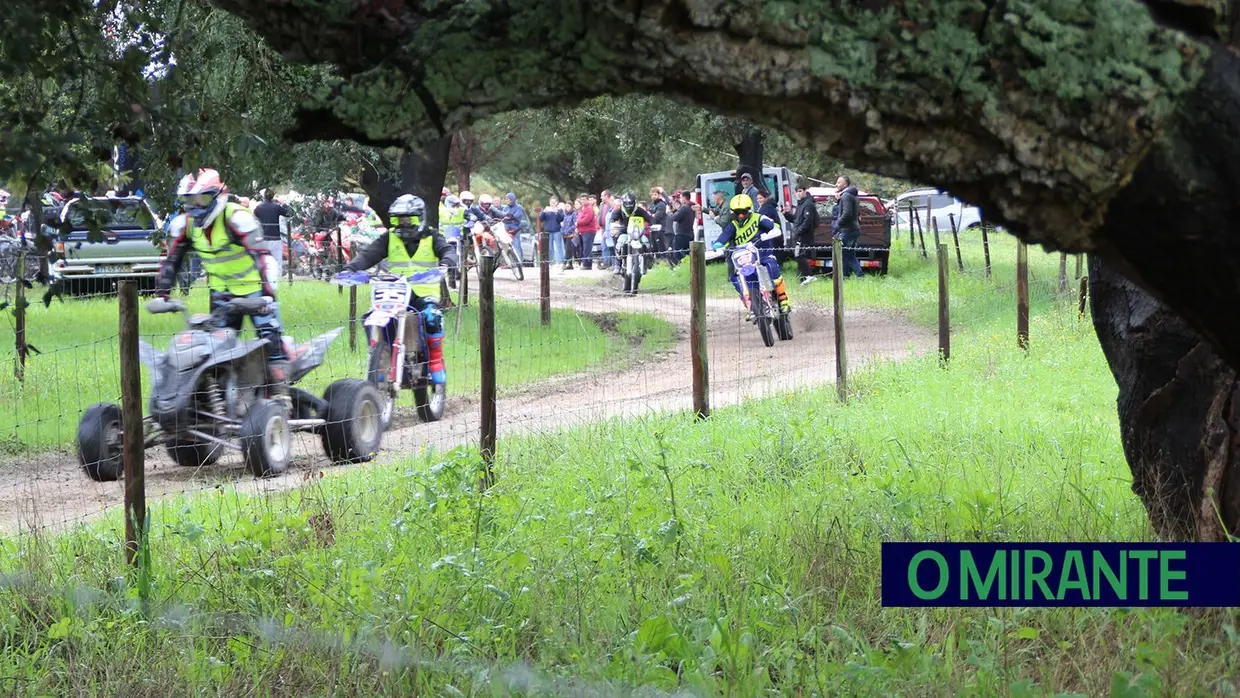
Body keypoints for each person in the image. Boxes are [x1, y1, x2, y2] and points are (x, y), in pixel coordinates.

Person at [155, 169, 291, 399]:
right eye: (190, 200)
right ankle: (220, 404)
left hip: (255, 291)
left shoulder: (237, 218)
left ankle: (281, 398)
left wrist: (268, 294)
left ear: (219, 195)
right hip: (222, 294)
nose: (197, 206)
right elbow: (172, 260)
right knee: (215, 351)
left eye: (203, 199)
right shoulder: (185, 225)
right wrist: (162, 294)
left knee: (271, 341)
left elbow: (263, 256)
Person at [336, 194, 458, 385]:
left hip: (423, 294)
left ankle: (435, 361)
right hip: (394, 292)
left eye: (408, 219)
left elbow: (447, 251)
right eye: (398, 220)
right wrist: (350, 269)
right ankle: (380, 356)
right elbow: (369, 254)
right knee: (370, 317)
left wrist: (446, 264)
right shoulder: (389, 238)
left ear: (420, 218)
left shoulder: (432, 236)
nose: (403, 224)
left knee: (432, 316)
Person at [711, 193, 791, 317]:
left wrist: (773, 231)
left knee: (773, 268)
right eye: (737, 212)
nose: (741, 215)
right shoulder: (733, 225)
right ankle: (750, 306)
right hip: (745, 258)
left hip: (764, 253)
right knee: (736, 277)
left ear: (750, 210)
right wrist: (718, 244)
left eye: (743, 212)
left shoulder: (758, 218)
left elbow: (773, 225)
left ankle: (783, 299)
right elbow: (724, 236)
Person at [608, 193, 655, 283]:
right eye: (627, 203)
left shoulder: (639, 210)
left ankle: (648, 260)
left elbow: (649, 218)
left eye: (631, 203)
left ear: (634, 202)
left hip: (639, 233)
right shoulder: (619, 210)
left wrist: (653, 224)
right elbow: (612, 218)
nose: (629, 205)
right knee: (619, 244)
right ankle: (618, 264)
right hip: (625, 232)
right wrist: (613, 225)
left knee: (646, 243)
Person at [783, 182, 820, 284]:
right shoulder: (800, 204)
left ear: (805, 191)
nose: (798, 194)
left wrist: (798, 232)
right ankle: (802, 279)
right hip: (799, 235)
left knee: (799, 255)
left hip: (804, 236)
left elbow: (807, 221)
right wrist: (786, 214)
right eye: (797, 192)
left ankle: (809, 275)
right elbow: (796, 220)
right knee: (798, 255)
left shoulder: (808, 204)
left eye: (800, 191)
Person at [254, 189, 293, 282]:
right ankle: (277, 280)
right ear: (272, 196)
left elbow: (255, 216)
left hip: (263, 237)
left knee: (263, 260)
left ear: (263, 196)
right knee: (277, 261)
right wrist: (283, 204)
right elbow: (289, 213)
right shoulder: (276, 207)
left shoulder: (259, 208)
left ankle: (263, 279)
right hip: (275, 237)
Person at [834, 175, 863, 278]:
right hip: (854, 229)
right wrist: (838, 201)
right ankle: (852, 276)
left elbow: (847, 213)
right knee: (849, 255)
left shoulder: (846, 196)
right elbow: (857, 213)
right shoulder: (853, 196)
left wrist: (837, 224)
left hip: (847, 230)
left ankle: (852, 276)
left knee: (845, 255)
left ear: (845, 184)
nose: (836, 184)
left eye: (838, 182)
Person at [439, 194, 466, 287]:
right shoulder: (441, 212)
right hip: (443, 240)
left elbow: (470, 215)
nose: (456, 208)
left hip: (457, 239)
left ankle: (453, 281)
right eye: (454, 205)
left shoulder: (462, 211)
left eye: (457, 205)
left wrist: (472, 219)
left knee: (456, 259)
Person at [500, 192, 530, 263]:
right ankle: (509, 262)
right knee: (507, 246)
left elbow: (517, 216)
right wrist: (509, 217)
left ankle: (518, 262)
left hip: (515, 230)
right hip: (507, 229)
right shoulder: (506, 207)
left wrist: (510, 217)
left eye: (508, 199)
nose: (506, 200)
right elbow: (503, 215)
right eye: (506, 199)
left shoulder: (518, 207)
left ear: (512, 199)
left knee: (516, 245)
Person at [669, 190, 696, 266]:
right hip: (690, 233)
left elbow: (675, 217)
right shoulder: (692, 207)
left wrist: (672, 212)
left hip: (681, 234)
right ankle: (688, 266)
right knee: (687, 253)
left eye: (681, 197)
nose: (680, 199)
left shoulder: (684, 208)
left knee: (677, 253)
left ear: (684, 198)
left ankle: (682, 266)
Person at [538, 196, 565, 267]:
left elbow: (561, 219)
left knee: (559, 247)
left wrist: (557, 212)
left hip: (556, 231)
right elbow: (541, 219)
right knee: (550, 248)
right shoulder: (547, 209)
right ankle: (550, 262)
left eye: (554, 202)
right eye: (551, 202)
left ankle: (560, 262)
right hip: (548, 231)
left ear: (557, 203)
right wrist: (544, 212)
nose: (553, 204)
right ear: (549, 202)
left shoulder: (559, 210)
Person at [575, 194, 599, 270]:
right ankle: (585, 263)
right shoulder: (583, 208)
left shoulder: (589, 208)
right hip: (583, 231)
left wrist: (577, 222)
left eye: (584, 199)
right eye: (581, 199)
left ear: (588, 200)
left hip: (589, 231)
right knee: (584, 248)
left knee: (587, 248)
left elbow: (586, 220)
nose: (582, 201)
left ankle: (587, 265)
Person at [561, 199, 578, 270]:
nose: (567, 208)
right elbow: (563, 223)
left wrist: (569, 230)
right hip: (564, 234)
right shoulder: (564, 214)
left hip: (570, 234)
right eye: (566, 206)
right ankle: (570, 264)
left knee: (568, 249)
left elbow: (575, 224)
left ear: (571, 207)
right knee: (567, 249)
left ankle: (564, 263)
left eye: (568, 206)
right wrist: (562, 230)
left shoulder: (574, 214)